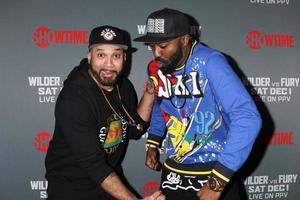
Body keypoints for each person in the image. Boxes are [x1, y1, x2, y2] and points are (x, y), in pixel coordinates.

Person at [134, 8, 262, 200]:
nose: (156, 53)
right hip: (174, 172)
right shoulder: (156, 67)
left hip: (213, 170)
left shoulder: (210, 62)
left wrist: (218, 181)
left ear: (184, 40)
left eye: (163, 45)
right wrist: (153, 142)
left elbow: (248, 117)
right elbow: (162, 104)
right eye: (152, 46)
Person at [45, 25, 165, 200]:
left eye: (116, 55)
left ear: (124, 58)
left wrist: (149, 93)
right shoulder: (74, 99)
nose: (109, 64)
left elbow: (135, 128)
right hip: (71, 190)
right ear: (89, 56)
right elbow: (95, 166)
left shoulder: (123, 86)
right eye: (101, 55)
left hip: (109, 185)